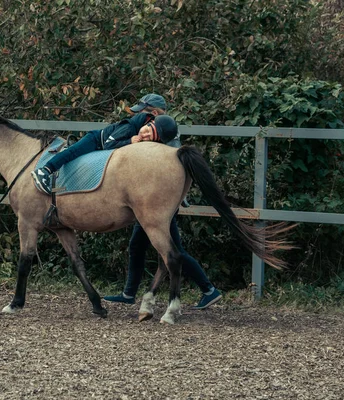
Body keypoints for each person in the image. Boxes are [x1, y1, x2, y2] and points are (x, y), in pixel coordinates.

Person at [103, 94, 222, 309]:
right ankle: (129, 293)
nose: (139, 116)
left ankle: (208, 289)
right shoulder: (166, 130)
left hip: (157, 202)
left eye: (142, 112)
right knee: (137, 245)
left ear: (154, 112)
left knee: (172, 250)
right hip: (148, 199)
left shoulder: (164, 134)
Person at [31, 105, 179, 195]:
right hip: (96, 140)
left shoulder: (142, 135)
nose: (144, 135)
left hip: (105, 147)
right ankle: (45, 170)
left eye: (149, 137)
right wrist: (129, 141)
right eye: (147, 130)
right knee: (73, 152)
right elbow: (109, 144)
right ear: (148, 122)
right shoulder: (129, 128)